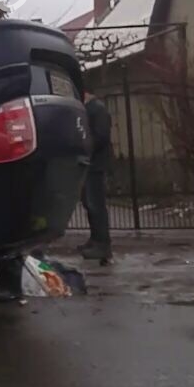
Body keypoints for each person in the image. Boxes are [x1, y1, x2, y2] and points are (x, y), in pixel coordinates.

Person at [78, 87, 113, 261]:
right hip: (89, 164)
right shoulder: (88, 109)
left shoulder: (97, 109)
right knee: (89, 203)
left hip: (95, 164)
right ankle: (95, 239)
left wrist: (84, 145)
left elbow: (101, 137)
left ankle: (102, 244)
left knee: (96, 204)